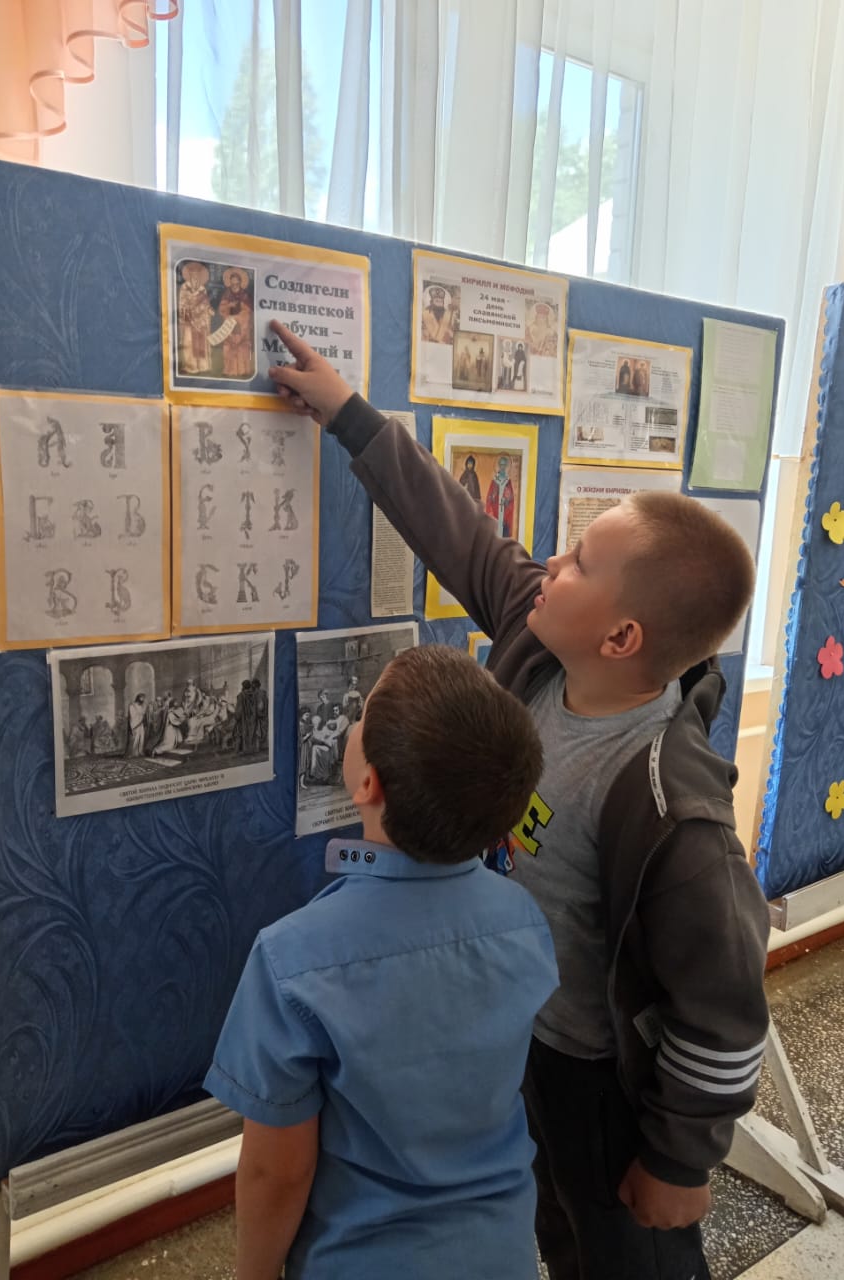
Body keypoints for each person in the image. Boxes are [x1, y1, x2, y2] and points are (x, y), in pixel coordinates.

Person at [265, 320, 771, 1280]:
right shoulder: (541, 648)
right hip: (515, 1029)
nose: (548, 565)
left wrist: (679, 1160)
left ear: (621, 639)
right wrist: (349, 415)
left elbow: (727, 1005)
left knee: (627, 1249)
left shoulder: (673, 809)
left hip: (600, 1076)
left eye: (577, 561)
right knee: (552, 1229)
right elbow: (459, 531)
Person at [206, 645, 558, 1280]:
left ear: (368, 782)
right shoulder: (524, 919)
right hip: (501, 1252)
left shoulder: (291, 962)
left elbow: (276, 1172)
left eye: (362, 716)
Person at [217, 267, 254, 378]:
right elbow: (222, 309)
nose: (234, 286)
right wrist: (229, 306)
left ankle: (243, 370)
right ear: (230, 283)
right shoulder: (227, 294)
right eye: (232, 284)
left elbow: (247, 311)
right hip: (229, 324)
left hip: (241, 325)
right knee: (228, 346)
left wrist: (237, 318)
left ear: (240, 283)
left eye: (236, 284)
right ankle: (229, 370)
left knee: (242, 346)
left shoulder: (245, 295)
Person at [177, 260, 213, 374]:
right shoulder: (184, 287)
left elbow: (206, 304)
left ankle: (202, 366)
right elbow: (182, 304)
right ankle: (191, 366)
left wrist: (209, 310)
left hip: (201, 321)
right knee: (189, 342)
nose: (195, 276)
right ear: (189, 275)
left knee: (201, 343)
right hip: (189, 319)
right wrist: (188, 312)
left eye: (197, 274)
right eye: (193, 273)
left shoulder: (203, 289)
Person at [485, 454, 515, 537]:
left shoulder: (508, 482)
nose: (502, 466)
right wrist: (493, 498)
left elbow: (511, 499)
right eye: (501, 464)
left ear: (506, 466)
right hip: (495, 513)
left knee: (503, 536)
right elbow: (489, 498)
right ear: (498, 465)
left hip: (505, 514)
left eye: (504, 465)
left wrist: (507, 501)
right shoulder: (494, 481)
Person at [234, 679, 259, 755]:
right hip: (253, 718)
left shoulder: (241, 696)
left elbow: (239, 709)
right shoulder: (254, 694)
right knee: (252, 733)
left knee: (243, 733)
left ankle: (245, 750)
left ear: (243, 686)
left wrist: (237, 717)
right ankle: (252, 749)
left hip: (244, 719)